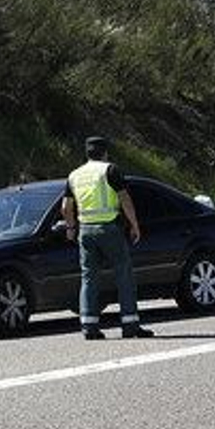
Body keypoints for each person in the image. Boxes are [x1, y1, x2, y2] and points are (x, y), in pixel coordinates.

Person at [62, 137, 153, 340]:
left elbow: (65, 207)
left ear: (87, 153)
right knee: (123, 274)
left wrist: (70, 228)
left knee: (89, 278)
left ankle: (89, 325)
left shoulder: (74, 175)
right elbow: (125, 198)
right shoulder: (109, 170)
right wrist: (134, 224)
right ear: (104, 153)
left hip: (85, 230)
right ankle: (130, 324)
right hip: (109, 228)